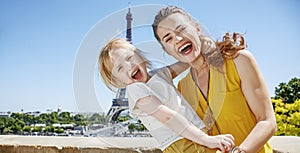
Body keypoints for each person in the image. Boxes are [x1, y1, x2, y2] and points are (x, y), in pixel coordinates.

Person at [152, 5, 277, 153]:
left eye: (181, 29)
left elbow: (267, 121)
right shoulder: (182, 87)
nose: (178, 39)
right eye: (168, 38)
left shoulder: (239, 61)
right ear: (166, 50)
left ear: (197, 29)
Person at [98, 38, 235, 152]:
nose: (129, 66)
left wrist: (200, 47)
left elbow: (185, 63)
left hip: (197, 134)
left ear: (139, 55)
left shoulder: (160, 74)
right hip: (181, 143)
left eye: (129, 58)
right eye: (120, 68)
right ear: (117, 80)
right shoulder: (135, 89)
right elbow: (168, 117)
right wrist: (206, 140)